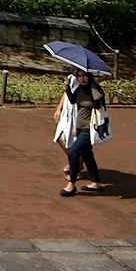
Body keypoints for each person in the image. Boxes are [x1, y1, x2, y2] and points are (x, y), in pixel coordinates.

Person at [54, 67, 108, 195]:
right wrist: (67, 88)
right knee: (87, 154)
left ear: (89, 76)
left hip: (89, 128)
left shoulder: (95, 89)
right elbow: (73, 101)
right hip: (79, 127)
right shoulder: (80, 89)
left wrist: (94, 85)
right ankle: (96, 183)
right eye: (79, 76)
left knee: (73, 152)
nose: (82, 78)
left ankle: (71, 184)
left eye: (84, 76)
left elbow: (98, 102)